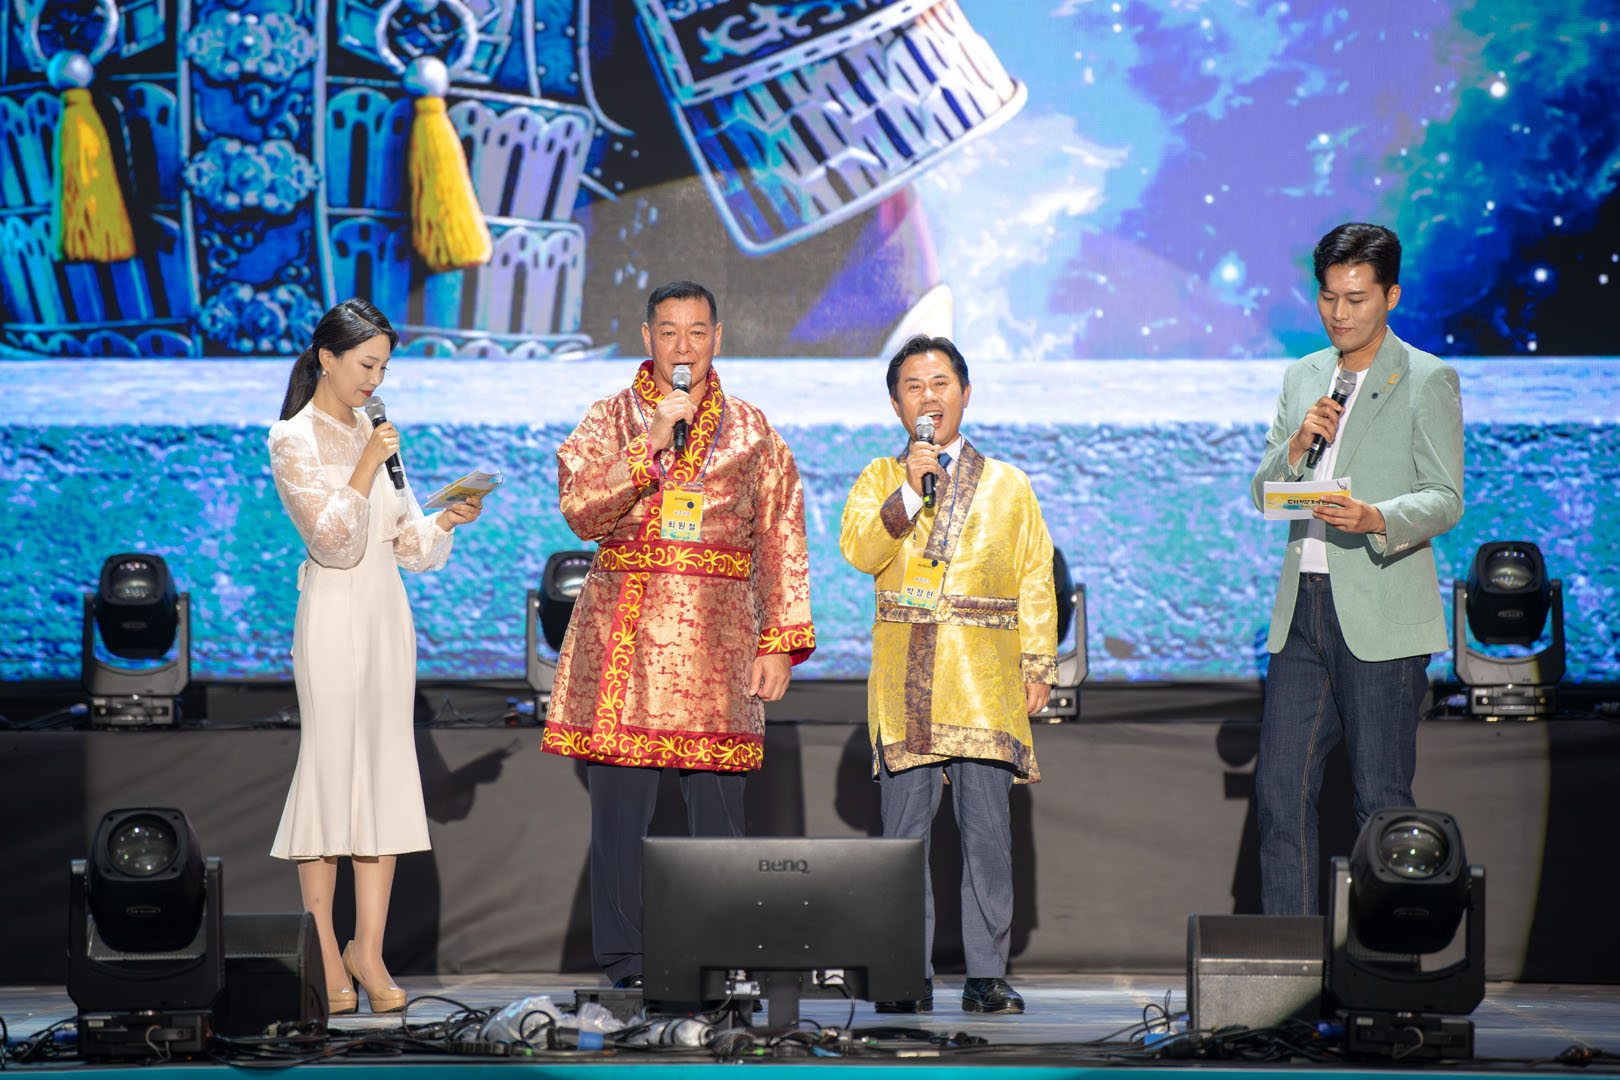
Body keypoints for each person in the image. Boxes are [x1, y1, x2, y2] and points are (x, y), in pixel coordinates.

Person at [542, 280, 816, 989]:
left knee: (719, 818)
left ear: (717, 339)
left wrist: (779, 641)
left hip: (718, 646)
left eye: (697, 332)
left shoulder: (753, 431)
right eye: (669, 332)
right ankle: (627, 962)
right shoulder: (608, 419)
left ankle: (721, 955)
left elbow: (782, 538)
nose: (684, 347)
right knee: (619, 820)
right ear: (647, 337)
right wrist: (650, 444)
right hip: (624, 641)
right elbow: (580, 510)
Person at [267, 299, 483, 1013]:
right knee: (330, 775)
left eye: (384, 367)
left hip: (387, 615)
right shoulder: (292, 438)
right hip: (332, 616)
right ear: (326, 358)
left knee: (384, 777)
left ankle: (369, 949)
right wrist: (365, 462)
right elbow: (333, 542)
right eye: (366, 364)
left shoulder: (375, 434)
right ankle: (326, 953)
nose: (374, 380)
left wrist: (446, 517)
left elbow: (407, 545)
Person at [1249, 223, 1464, 915]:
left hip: (1380, 608)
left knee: (1380, 799)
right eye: (1328, 297)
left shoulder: (1426, 378)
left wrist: (1375, 517)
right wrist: (1296, 446)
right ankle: (1292, 965)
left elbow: (1445, 497)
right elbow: (1262, 492)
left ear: (1390, 296)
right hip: (1302, 608)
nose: (1339, 313)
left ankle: (1381, 964)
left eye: (1356, 298)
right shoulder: (1304, 377)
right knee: (1280, 793)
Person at [839, 335, 1057, 1015]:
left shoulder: (1009, 484)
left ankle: (986, 974)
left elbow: (1035, 575)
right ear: (896, 404)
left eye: (940, 383)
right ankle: (904, 970)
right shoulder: (879, 477)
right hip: (905, 675)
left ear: (964, 393)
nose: (928, 397)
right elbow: (859, 552)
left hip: (984, 678)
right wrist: (910, 488)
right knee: (904, 840)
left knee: (988, 837)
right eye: (913, 386)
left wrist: (1038, 662)